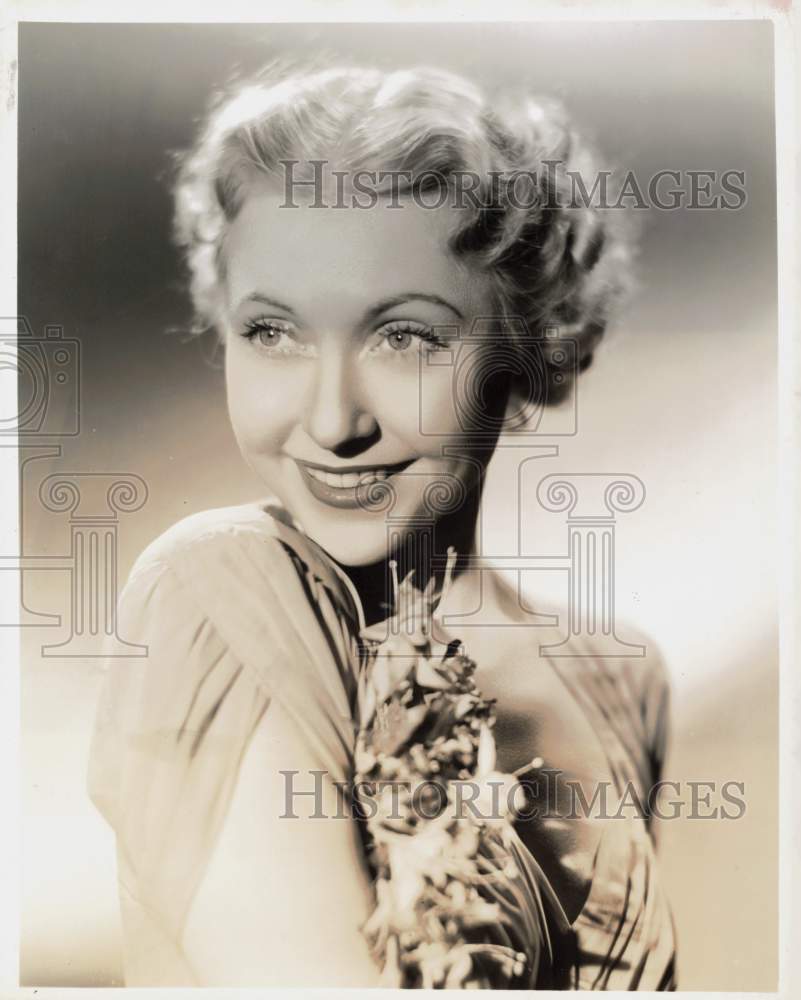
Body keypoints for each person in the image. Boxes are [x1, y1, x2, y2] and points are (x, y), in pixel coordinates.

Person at [87, 61, 676, 989]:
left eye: (403, 336)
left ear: (527, 339)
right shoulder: (219, 598)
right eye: (272, 333)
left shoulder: (620, 677)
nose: (332, 423)